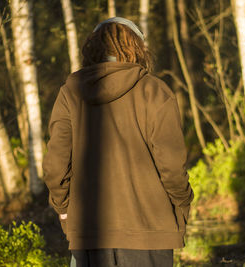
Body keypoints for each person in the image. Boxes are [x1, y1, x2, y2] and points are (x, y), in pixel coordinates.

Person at [43, 17, 193, 267]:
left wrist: (64, 209)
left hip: (89, 231)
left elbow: (55, 166)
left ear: (93, 48)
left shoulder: (70, 92)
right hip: (150, 231)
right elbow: (172, 166)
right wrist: (181, 205)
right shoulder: (155, 91)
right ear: (137, 47)